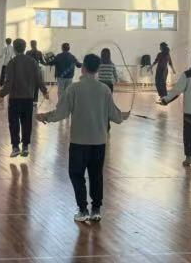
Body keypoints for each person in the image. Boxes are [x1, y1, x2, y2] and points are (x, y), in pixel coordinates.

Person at [36, 54, 129, 223]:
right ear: (97, 69)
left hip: (79, 142)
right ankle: (96, 210)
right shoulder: (105, 89)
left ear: (83, 67)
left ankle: (83, 209)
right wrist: (123, 116)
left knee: (76, 174)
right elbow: (114, 115)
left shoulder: (74, 88)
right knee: (96, 175)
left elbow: (61, 113)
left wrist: (45, 117)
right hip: (99, 142)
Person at [0, 39, 49, 157]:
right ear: (25, 48)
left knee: (14, 123)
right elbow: (39, 78)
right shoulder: (33, 62)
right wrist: (44, 91)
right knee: (27, 123)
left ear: (14, 49)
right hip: (28, 98)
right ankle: (25, 147)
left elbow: (9, 82)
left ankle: (15, 147)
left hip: (15, 99)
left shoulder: (12, 62)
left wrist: (1, 95)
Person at [26, 40, 47, 105]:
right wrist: (47, 63)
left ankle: (29, 100)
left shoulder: (28, 52)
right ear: (36, 44)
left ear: (31, 45)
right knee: (36, 86)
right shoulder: (39, 52)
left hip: (29, 71)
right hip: (36, 70)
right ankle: (35, 101)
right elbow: (42, 62)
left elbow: (26, 61)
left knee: (29, 85)